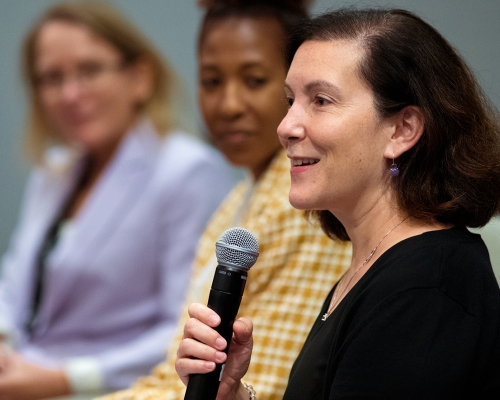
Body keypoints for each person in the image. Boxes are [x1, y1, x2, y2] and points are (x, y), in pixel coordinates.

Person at [175, 7, 500, 400]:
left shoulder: (425, 289)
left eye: (321, 101)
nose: (286, 126)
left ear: (402, 129)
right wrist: (234, 396)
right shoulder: (372, 266)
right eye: (291, 100)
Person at [98, 1, 351, 399]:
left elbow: (266, 385)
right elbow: (175, 373)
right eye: (212, 82)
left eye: (253, 81)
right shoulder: (239, 197)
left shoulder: (303, 203)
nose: (229, 106)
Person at [0, 1, 234, 398]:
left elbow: (184, 324)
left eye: (89, 70)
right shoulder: (53, 172)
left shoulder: (186, 171)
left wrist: (67, 378)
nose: (70, 93)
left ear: (140, 77)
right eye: (51, 78)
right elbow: (13, 286)